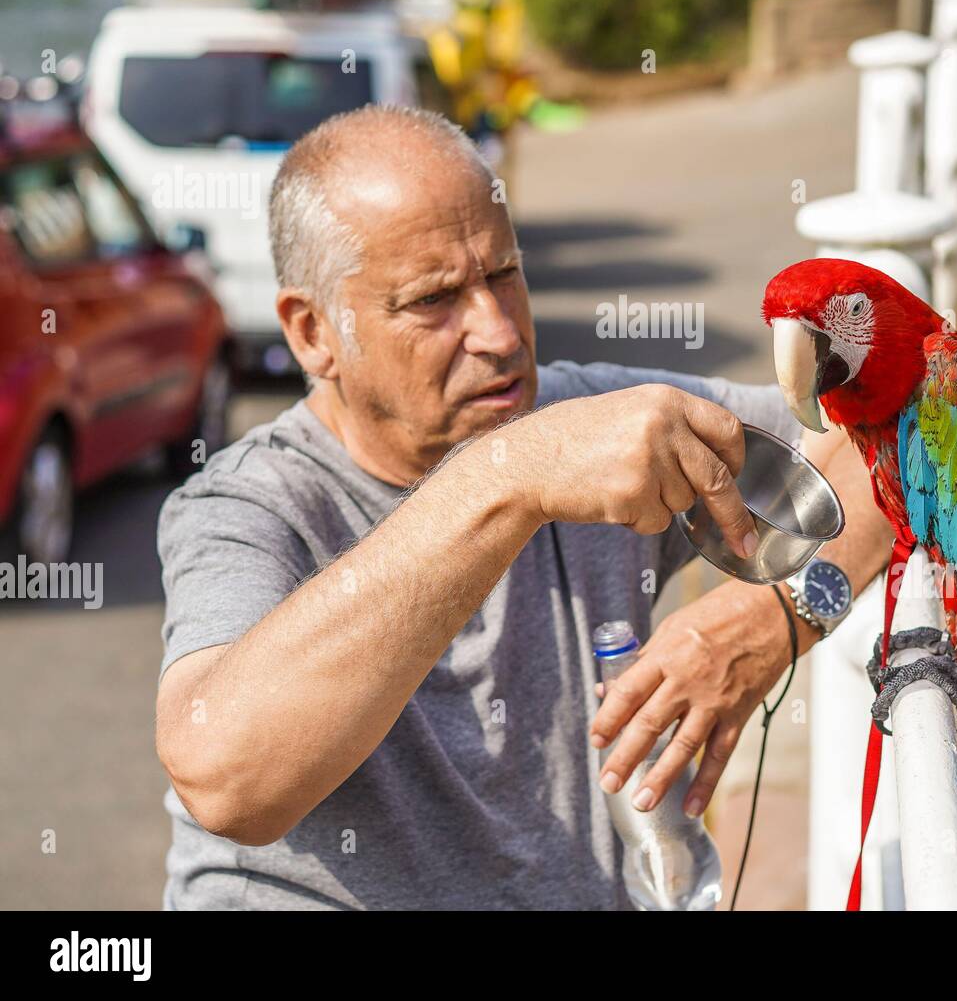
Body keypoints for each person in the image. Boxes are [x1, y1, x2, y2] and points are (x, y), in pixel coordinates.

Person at [152, 103, 893, 910]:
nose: (500, 333)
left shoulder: (588, 420)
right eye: (434, 299)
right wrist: (508, 478)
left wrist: (775, 621)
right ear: (312, 333)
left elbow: (915, 434)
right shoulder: (245, 505)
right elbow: (224, 780)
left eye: (504, 272)